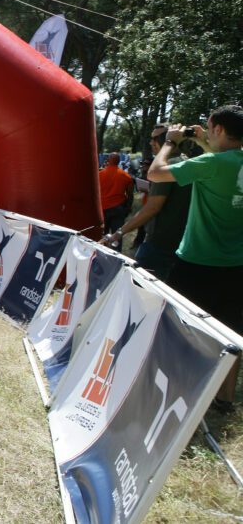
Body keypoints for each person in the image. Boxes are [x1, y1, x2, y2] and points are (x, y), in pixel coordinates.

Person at [148, 105, 243, 410]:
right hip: (236, 265)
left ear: (218, 129)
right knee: (232, 334)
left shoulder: (211, 164)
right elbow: (220, 163)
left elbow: (156, 173)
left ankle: (171, 390)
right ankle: (224, 400)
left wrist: (171, 142)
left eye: (209, 127)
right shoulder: (224, 161)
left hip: (196, 262)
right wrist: (204, 143)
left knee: (178, 328)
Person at [102, 126, 190, 280]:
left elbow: (152, 207)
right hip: (179, 242)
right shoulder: (186, 162)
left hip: (159, 244)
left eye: (154, 139)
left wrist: (119, 233)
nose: (150, 143)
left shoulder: (166, 166)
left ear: (167, 141)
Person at [98, 152, 135, 251]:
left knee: (102, 235)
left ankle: (101, 252)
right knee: (118, 234)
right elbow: (130, 195)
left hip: (103, 208)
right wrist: (128, 207)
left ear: (108, 161)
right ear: (119, 161)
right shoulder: (125, 175)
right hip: (118, 209)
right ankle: (117, 254)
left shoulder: (100, 175)